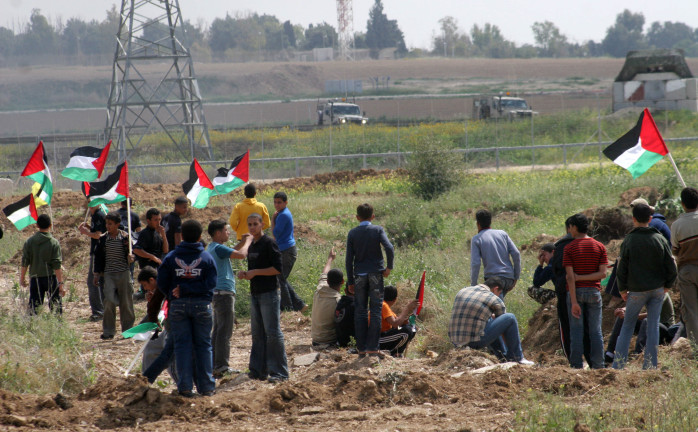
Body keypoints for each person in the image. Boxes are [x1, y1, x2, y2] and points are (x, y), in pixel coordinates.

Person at [612, 203, 677, 369]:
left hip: (636, 290)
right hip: (657, 290)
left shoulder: (629, 240)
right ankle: (650, 366)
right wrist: (667, 286)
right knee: (653, 326)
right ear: (650, 218)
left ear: (633, 219)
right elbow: (671, 266)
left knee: (627, 326)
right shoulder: (659, 239)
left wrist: (622, 289)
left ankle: (618, 365)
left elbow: (622, 268)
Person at [158, 219, 217, 397]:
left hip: (178, 307)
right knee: (204, 345)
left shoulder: (170, 258)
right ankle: (206, 387)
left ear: (181, 236)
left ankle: (185, 387)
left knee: (182, 346)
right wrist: (193, 289)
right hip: (202, 306)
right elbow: (211, 284)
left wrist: (174, 293)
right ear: (200, 237)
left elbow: (161, 281)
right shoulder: (207, 258)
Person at [237, 213, 289, 383]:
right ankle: (258, 370)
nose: (252, 227)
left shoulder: (269, 243)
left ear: (262, 225)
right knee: (257, 334)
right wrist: (246, 274)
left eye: (255, 224)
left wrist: (256, 272)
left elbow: (277, 269)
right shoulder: (252, 244)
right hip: (255, 293)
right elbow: (253, 268)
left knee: (273, 333)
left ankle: (279, 372)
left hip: (269, 293)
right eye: (249, 224)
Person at [346, 203, 394, 359]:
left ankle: (361, 349)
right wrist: (388, 267)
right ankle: (373, 348)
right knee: (375, 311)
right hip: (375, 274)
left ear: (357, 217)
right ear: (373, 216)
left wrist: (350, 280)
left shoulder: (353, 233)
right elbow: (389, 248)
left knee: (360, 311)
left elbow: (348, 259)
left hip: (359, 275)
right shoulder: (378, 230)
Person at [448, 277, 533, 365]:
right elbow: (504, 328)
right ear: (496, 288)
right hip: (474, 342)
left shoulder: (463, 291)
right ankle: (517, 357)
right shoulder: (494, 299)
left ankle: (502, 357)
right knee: (510, 318)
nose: (498, 295)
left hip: (456, 342)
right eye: (499, 293)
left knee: (488, 317)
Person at [207, 220, 251, 378]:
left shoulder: (213, 248)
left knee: (218, 331)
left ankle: (213, 365)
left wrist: (242, 242)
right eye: (226, 230)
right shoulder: (217, 247)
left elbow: (231, 252)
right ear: (218, 233)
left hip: (217, 293)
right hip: (224, 294)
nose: (228, 233)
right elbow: (241, 255)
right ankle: (222, 367)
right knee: (224, 333)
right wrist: (248, 242)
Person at [563, 213, 607, 369]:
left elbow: (570, 277)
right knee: (596, 331)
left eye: (570, 227)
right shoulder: (599, 246)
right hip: (594, 292)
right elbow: (603, 274)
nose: (569, 230)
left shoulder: (569, 248)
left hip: (576, 293)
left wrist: (574, 301)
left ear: (574, 227)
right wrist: (584, 277)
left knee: (576, 331)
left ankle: (576, 365)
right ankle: (598, 365)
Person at [94, 211, 136, 340]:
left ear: (117, 224)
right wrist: (96, 274)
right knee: (109, 301)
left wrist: (131, 257)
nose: (108, 226)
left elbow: (133, 255)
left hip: (123, 273)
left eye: (111, 224)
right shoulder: (103, 239)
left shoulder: (125, 238)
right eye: (107, 223)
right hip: (109, 274)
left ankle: (128, 331)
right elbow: (98, 258)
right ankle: (108, 331)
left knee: (126, 302)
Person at [604, 292, 675, 366]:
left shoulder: (661, 293)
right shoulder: (647, 291)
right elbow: (636, 303)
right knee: (622, 319)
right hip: (651, 326)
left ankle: (638, 354)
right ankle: (610, 354)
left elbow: (652, 313)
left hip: (665, 329)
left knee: (646, 321)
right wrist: (622, 310)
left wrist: (630, 316)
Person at [470, 209, 521, 298]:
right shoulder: (502, 234)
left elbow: (476, 263)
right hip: (509, 278)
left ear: (478, 224)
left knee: (495, 307)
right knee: (498, 303)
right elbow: (516, 254)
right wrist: (515, 277)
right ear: (490, 221)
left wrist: (473, 286)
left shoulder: (477, 239)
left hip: (493, 281)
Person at [21, 214, 65, 315]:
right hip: (50, 278)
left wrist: (22, 277)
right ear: (50, 225)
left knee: (34, 308)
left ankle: (32, 328)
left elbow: (25, 261)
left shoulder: (30, 242)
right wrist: (60, 283)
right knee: (56, 309)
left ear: (37, 225)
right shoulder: (54, 243)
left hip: (35, 278)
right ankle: (58, 328)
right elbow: (57, 265)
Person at [670, 187, 698, 344]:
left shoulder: (677, 225)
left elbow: (675, 251)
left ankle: (696, 348)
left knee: (691, 311)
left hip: (687, 270)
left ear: (682, 204)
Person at [272, 191, 307, 312]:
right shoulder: (282, 213)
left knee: (279, 279)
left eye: (279, 202)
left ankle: (289, 309)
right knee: (281, 278)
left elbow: (275, 233)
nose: (277, 205)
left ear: (286, 202)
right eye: (275, 202)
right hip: (286, 250)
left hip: (287, 251)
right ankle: (299, 305)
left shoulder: (282, 215)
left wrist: (272, 220)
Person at [78, 204, 106, 321]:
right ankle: (104, 309)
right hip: (100, 252)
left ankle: (98, 311)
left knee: (93, 282)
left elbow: (98, 235)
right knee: (100, 281)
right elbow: (99, 231)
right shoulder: (95, 215)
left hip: (98, 252)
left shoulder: (99, 215)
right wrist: (89, 227)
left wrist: (86, 232)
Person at [311, 248, 342, 347]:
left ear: (327, 282)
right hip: (330, 341)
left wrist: (330, 259)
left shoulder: (319, 289)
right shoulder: (338, 301)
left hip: (315, 339)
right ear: (342, 282)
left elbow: (324, 274)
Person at [378, 285, 419, 357]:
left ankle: (396, 353)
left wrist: (409, 318)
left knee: (412, 328)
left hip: (382, 337)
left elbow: (399, 322)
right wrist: (407, 308)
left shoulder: (385, 307)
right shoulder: (383, 305)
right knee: (407, 331)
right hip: (376, 340)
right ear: (395, 299)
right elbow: (395, 324)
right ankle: (394, 353)